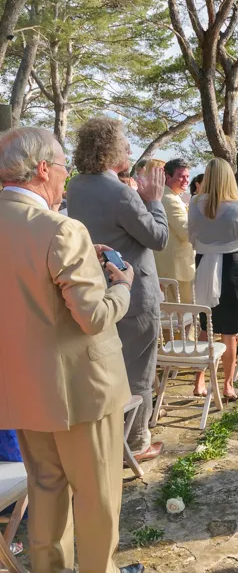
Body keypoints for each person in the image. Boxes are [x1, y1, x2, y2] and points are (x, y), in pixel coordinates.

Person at [0, 127, 144, 573]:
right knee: (98, 494)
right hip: (81, 389)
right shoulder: (60, 229)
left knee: (45, 486)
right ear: (43, 168)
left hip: (22, 387)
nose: (65, 178)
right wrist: (121, 286)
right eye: (63, 168)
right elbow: (93, 316)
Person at [67, 116, 168, 463]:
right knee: (138, 370)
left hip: (97, 291)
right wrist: (154, 200)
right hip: (135, 295)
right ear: (109, 150)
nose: (128, 148)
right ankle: (136, 442)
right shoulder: (122, 193)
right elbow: (158, 238)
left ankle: (109, 439)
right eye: (124, 143)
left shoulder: (76, 186)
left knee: (108, 370)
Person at [189, 158, 238, 400]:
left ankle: (199, 382)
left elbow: (191, 235)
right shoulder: (236, 206)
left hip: (204, 262)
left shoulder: (195, 204)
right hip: (231, 266)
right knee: (230, 331)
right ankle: (227, 385)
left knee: (206, 326)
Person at [154, 158, 195, 303]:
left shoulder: (170, 196)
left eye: (187, 176)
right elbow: (186, 233)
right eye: (181, 176)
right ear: (168, 177)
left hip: (173, 266)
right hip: (176, 268)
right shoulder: (169, 199)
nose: (185, 180)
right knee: (182, 313)